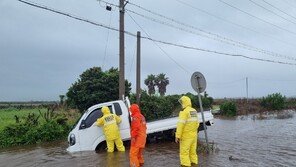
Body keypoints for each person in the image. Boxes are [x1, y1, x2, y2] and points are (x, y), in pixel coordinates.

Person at [175, 96, 199, 167]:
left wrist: (177, 136)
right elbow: (197, 124)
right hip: (194, 136)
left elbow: (180, 125)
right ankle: (194, 164)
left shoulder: (184, 112)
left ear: (184, 103)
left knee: (184, 153)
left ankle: (185, 165)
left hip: (186, 137)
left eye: (181, 102)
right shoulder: (194, 111)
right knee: (193, 153)